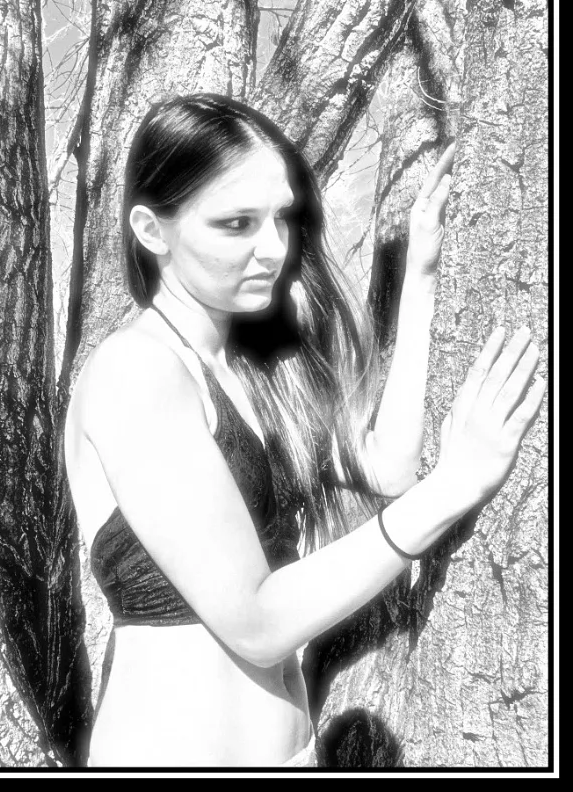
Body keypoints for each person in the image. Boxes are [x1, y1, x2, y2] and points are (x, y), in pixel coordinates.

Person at [64, 93, 545, 768]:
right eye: (236, 224)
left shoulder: (248, 372)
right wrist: (453, 488)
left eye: (281, 218)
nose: (274, 248)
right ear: (152, 230)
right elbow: (258, 624)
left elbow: (387, 467)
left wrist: (423, 280)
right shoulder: (137, 372)